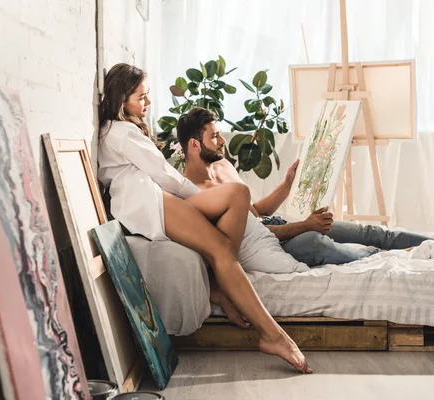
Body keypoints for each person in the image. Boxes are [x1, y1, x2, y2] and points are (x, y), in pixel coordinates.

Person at [97, 63, 312, 374]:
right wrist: (196, 197)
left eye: (147, 96)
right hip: (149, 203)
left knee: (237, 197)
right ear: (121, 100)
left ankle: (225, 291)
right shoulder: (120, 133)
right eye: (141, 97)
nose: (147, 103)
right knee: (224, 243)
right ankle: (272, 334)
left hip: (154, 198)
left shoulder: (121, 131)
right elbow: (164, 175)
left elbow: (162, 175)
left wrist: (196, 197)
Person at [177, 107, 433, 266]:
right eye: (214, 136)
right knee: (315, 242)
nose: (222, 141)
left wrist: (287, 185)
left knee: (366, 230)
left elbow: (254, 212)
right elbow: (249, 234)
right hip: (268, 242)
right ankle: (382, 256)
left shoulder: (222, 167)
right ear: (194, 145)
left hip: (276, 224)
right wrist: (306, 225)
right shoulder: (195, 194)